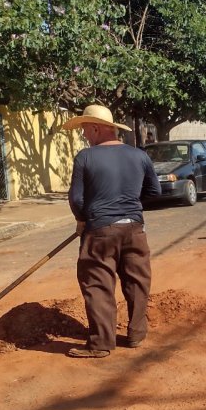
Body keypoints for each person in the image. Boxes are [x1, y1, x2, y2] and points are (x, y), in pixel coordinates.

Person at [62, 104, 161, 358]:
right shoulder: (139, 155)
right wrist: (131, 209)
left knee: (98, 283)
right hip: (135, 229)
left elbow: (76, 199)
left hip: (100, 231)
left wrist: (83, 219)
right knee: (138, 281)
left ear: (96, 128)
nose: (84, 135)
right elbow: (154, 192)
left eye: (85, 129)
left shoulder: (85, 157)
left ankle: (101, 343)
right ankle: (137, 334)